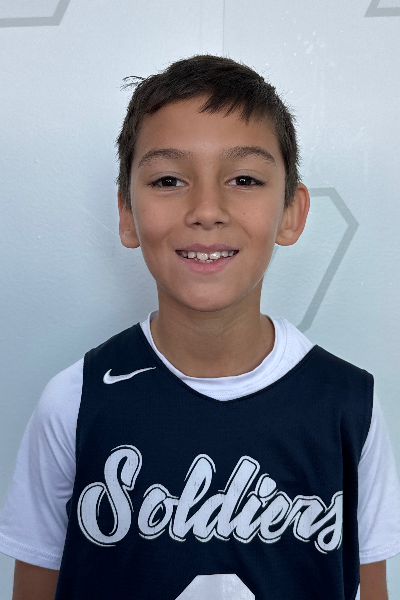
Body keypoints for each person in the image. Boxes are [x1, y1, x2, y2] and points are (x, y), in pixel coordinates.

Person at [1, 55, 400, 600]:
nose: (207, 209)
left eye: (244, 179)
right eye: (168, 179)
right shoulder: (74, 402)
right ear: (127, 213)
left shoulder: (349, 405)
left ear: (291, 211)